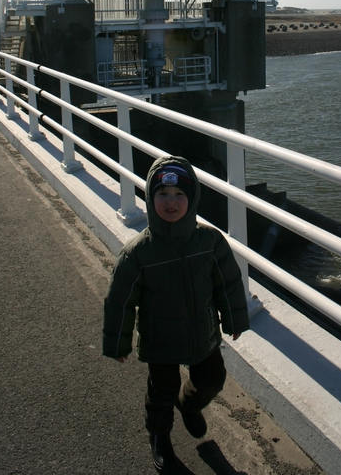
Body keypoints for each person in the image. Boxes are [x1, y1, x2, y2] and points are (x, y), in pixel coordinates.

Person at [103, 155, 250, 473]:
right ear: (150, 197)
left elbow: (227, 282)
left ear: (192, 198)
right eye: (162, 194)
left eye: (180, 194)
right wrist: (118, 342)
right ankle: (160, 437)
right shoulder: (138, 253)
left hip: (203, 332)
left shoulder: (210, 241)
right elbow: (120, 301)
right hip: (160, 340)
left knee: (212, 379)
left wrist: (235, 318)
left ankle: (189, 403)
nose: (171, 202)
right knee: (161, 392)